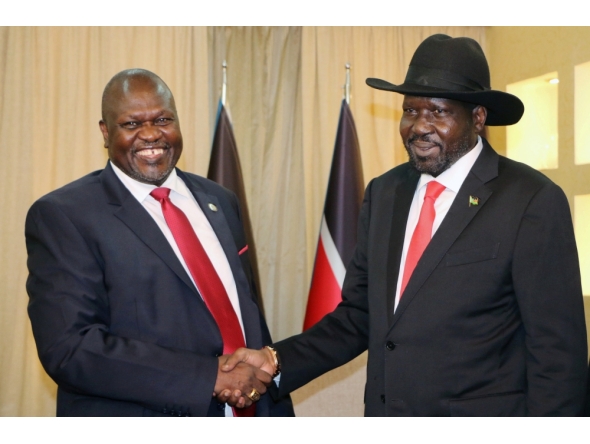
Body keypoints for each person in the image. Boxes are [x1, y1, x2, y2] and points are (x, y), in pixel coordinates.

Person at [223, 34, 588, 416]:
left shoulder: (530, 200)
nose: (418, 127)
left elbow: (558, 355)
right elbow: (359, 315)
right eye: (410, 111)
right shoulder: (385, 193)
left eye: (437, 112)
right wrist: (276, 360)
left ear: (477, 118)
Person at [25, 69, 293, 417]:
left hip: (255, 410)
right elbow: (71, 349)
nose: (151, 134)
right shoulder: (64, 215)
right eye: (131, 124)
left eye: (163, 119)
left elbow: (245, 310)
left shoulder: (219, 199)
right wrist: (207, 377)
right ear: (105, 132)